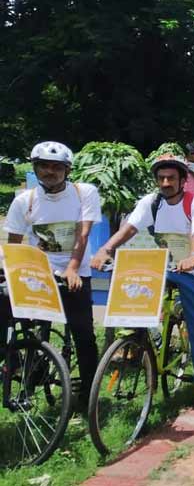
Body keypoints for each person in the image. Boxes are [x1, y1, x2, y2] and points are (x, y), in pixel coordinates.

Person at [91, 154, 194, 409]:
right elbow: (130, 228)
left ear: (182, 181)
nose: (166, 182)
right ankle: (146, 345)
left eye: (171, 178)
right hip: (165, 266)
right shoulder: (152, 203)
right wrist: (106, 249)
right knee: (135, 298)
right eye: (161, 178)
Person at [2, 141, 102, 410]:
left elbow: (83, 233)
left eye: (56, 167)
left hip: (74, 271)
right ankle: (14, 362)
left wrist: (71, 268)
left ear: (67, 170)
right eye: (43, 166)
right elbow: (14, 243)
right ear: (35, 168)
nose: (49, 171)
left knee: (83, 334)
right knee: (6, 310)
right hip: (38, 274)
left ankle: (89, 398)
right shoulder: (26, 200)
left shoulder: (85, 193)